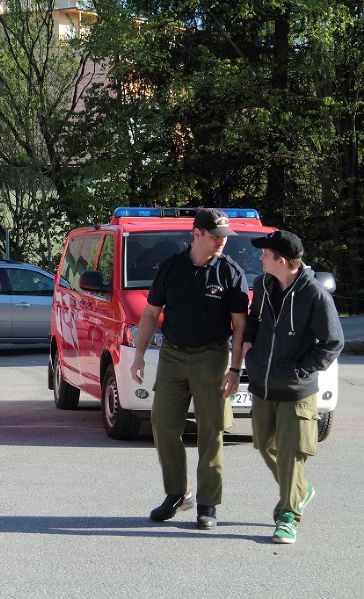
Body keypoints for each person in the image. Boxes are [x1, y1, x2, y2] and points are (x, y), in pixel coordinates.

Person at [129, 208, 249, 530]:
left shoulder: (231, 273)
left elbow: (239, 327)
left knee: (211, 431)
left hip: (211, 357)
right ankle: (176, 494)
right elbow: (151, 313)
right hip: (172, 356)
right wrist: (138, 355)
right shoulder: (171, 268)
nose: (222, 242)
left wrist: (235, 369)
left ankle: (208, 503)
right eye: (215, 236)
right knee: (163, 424)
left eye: (225, 237)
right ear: (196, 234)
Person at [242, 230, 343, 544]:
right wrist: (249, 348)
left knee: (291, 453)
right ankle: (301, 489)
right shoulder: (263, 285)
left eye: (265, 254)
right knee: (264, 444)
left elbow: (332, 342)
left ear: (281, 260)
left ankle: (288, 516)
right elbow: (255, 320)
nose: (260, 257)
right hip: (262, 383)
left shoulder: (314, 295)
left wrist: (301, 371)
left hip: (297, 389)